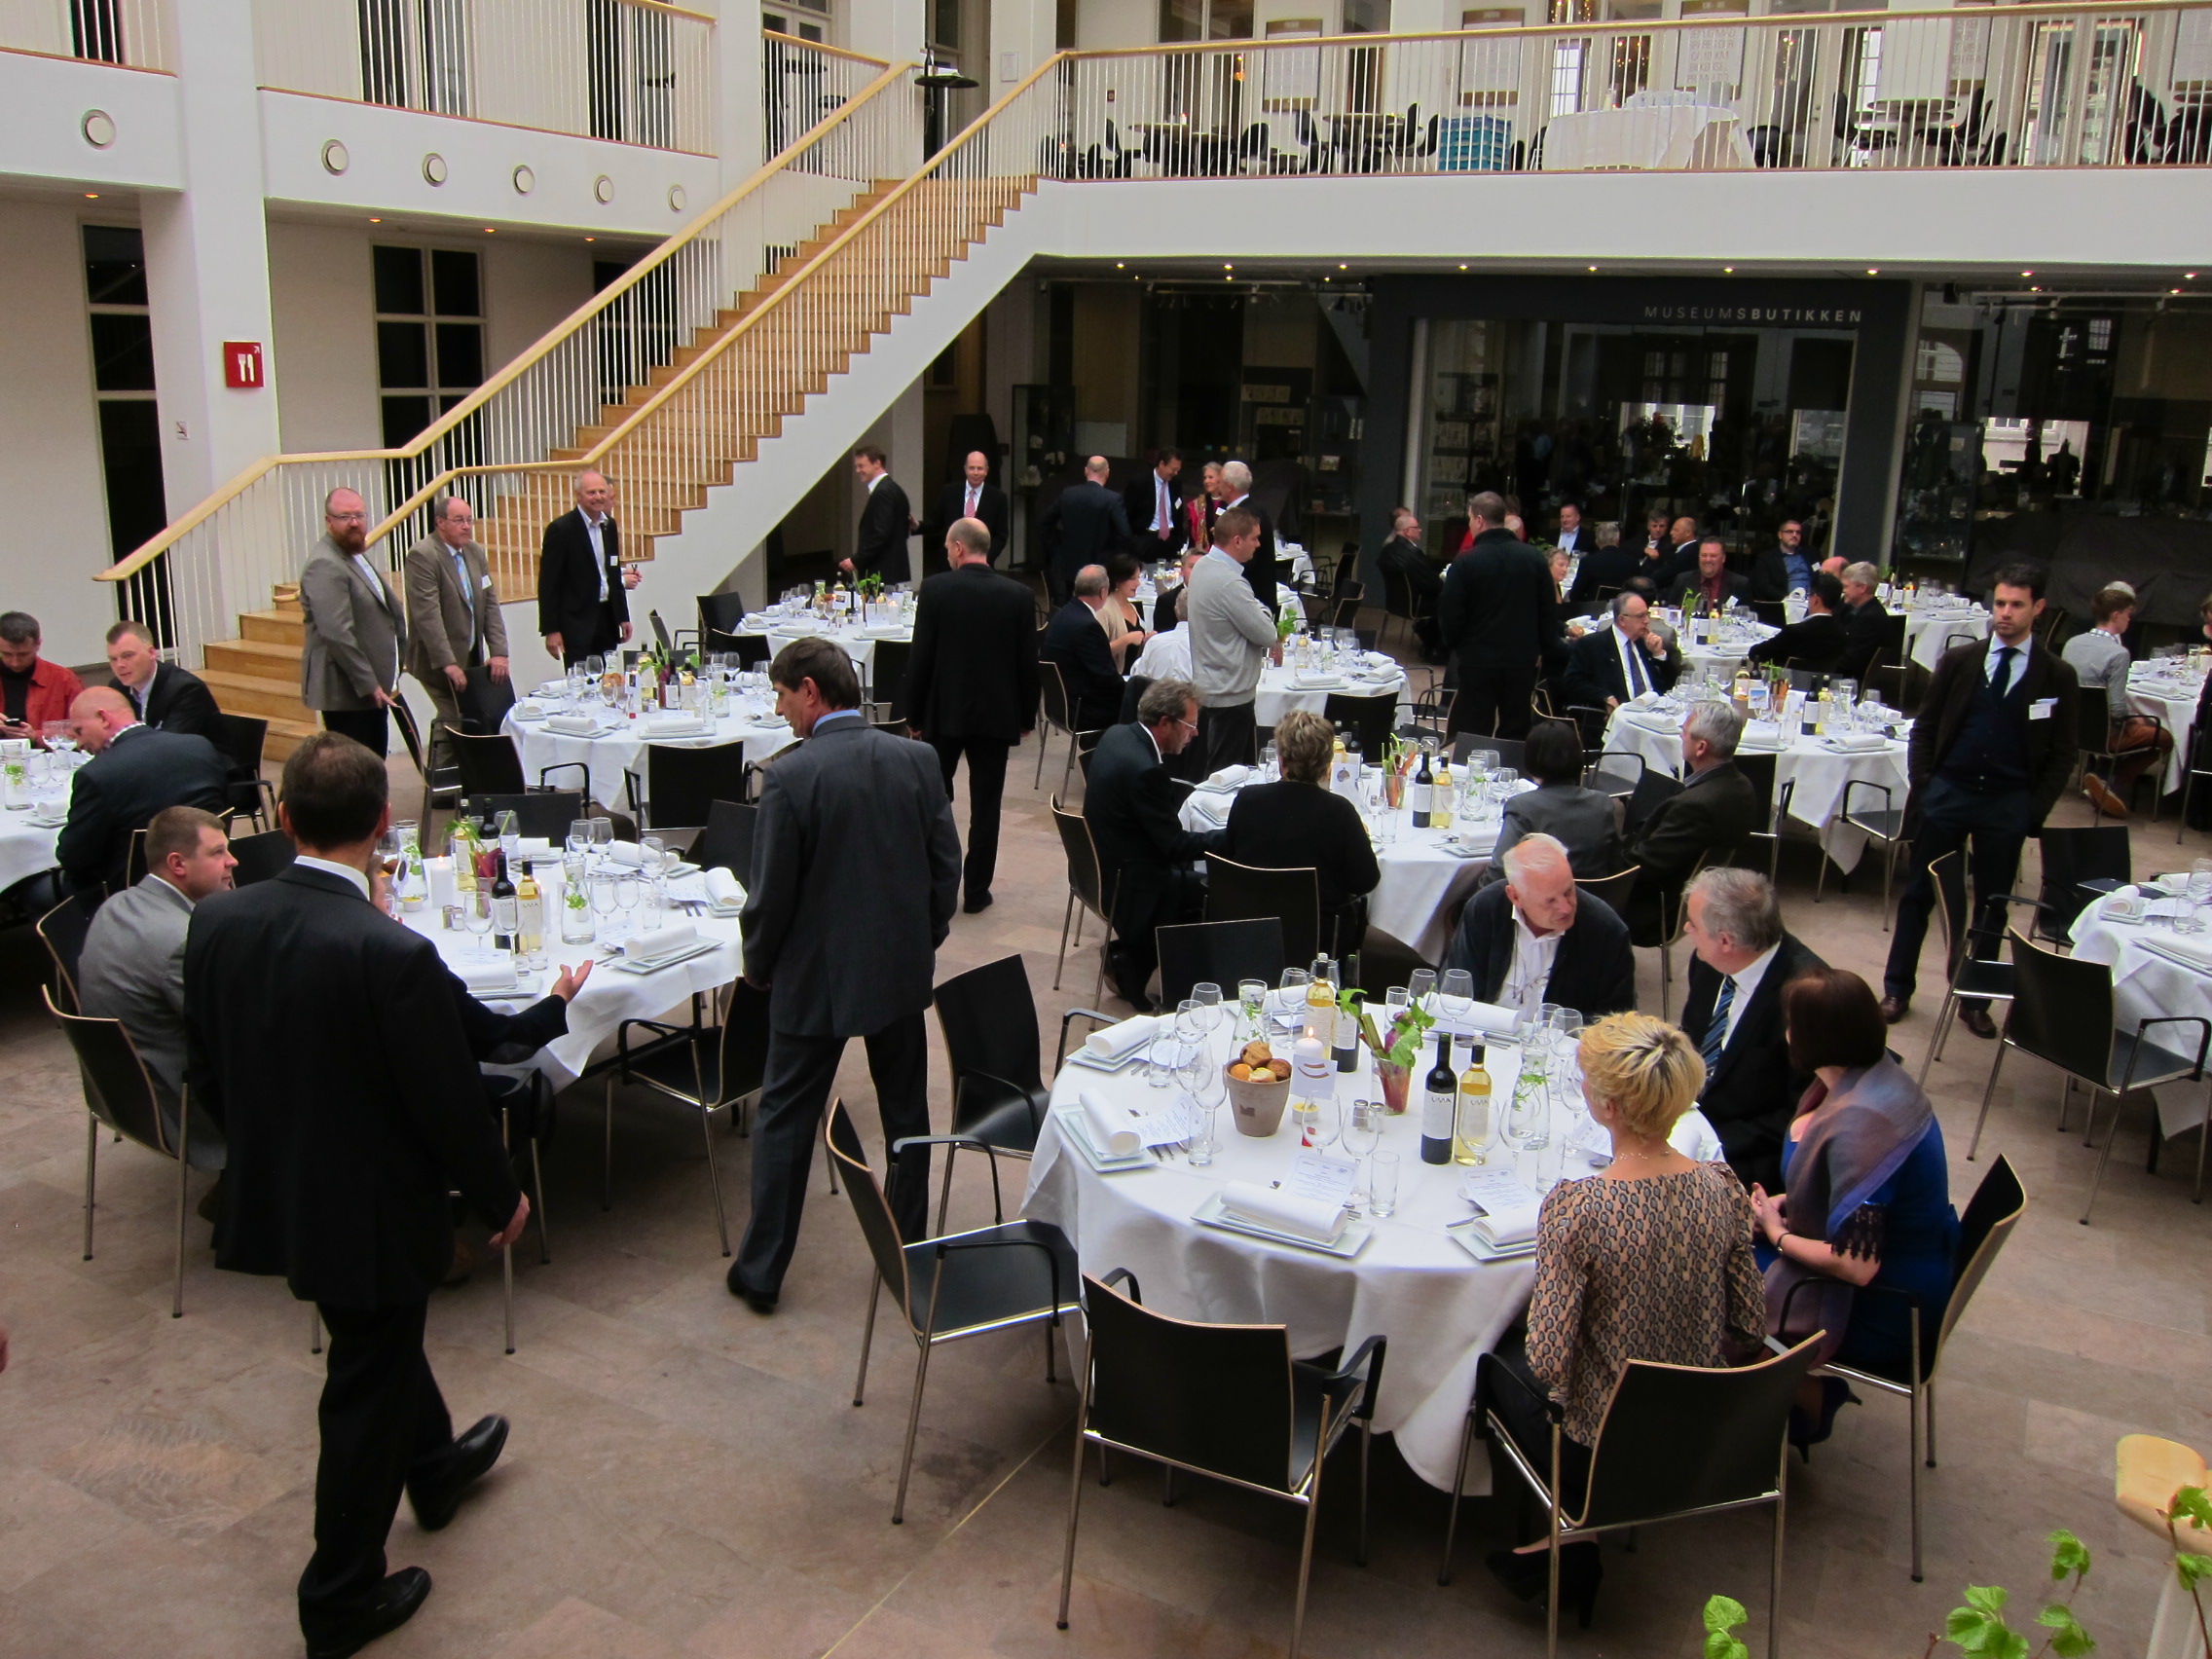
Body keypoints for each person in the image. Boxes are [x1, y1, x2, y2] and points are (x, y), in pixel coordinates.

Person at [183, 732, 532, 1658]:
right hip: (370, 1206)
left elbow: (202, 1066)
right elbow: (449, 1102)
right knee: (364, 1383)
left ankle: (436, 1464)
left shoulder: (216, 921)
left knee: (376, 1340)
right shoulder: (388, 951)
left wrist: (264, 1147)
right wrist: (501, 1198)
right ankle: (338, 1593)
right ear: (383, 825)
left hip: (280, 1184)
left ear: (285, 820)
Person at [1482, 1011, 1763, 1619]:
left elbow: (1547, 1359)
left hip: (1598, 1439)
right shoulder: (1724, 1187)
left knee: (1486, 1355)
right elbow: (1750, 1323)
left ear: (1608, 1108)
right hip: (1695, 1421)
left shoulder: (1579, 1207)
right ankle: (1571, 1539)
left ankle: (1566, 1530)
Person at [730, 637, 960, 1311]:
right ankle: (907, 1251)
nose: (780, 711)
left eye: (781, 695)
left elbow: (770, 897)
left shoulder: (791, 777)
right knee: (906, 1116)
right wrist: (922, 940)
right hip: (895, 969)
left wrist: (758, 968)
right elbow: (947, 869)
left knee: (785, 1119)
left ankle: (763, 1268)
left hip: (815, 978)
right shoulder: (917, 760)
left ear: (810, 690)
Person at [1751, 967, 1958, 1451]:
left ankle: (1799, 1400)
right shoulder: (1869, 1079)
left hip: (1885, 1309)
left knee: (1710, 1281)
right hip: (1905, 1272)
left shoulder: (1865, 1122)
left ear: (1810, 1039)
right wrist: (1784, 1206)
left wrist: (1776, 1232)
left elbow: (1856, 1266)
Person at [1881, 564, 2081, 1028]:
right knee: (1918, 895)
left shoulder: (2056, 675)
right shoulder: (1961, 662)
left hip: (2007, 802)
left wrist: (2033, 808)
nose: (2005, 614)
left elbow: (2064, 750)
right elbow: (1925, 728)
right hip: (1949, 793)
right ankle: (1896, 989)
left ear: (2038, 608)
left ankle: (1975, 999)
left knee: (1993, 902)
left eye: (2016, 605)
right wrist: (1927, 787)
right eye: (1999, 604)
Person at [904, 516, 1038, 914]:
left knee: (935, 800)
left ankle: (937, 885)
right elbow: (1027, 663)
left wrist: (913, 714)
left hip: (943, 712)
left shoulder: (936, 589)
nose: (947, 554)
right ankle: (977, 892)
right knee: (987, 807)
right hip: (997, 715)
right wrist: (1027, 715)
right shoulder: (1018, 595)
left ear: (959, 548)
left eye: (947, 548)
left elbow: (921, 657)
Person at [1677, 866, 1824, 1188]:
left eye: (1693, 924)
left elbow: (1800, 1115)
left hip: (1749, 1159)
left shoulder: (1804, 999)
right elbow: (1690, 1042)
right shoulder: (1707, 962)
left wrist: (1704, 1143)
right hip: (1686, 1122)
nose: (1686, 929)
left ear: (1726, 940)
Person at [79, 805, 236, 1101]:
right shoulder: (182, 942)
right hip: (182, 1106)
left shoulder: (115, 905)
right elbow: (229, 1032)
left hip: (122, 1093)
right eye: (218, 853)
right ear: (178, 864)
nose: (232, 861)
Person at [1085, 678, 1219, 1011]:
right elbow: (1174, 844)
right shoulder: (1146, 770)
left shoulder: (1118, 734)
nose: (1195, 734)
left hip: (1100, 866)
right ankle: (1190, 985)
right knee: (1213, 887)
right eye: (1190, 725)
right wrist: (1228, 838)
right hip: (1133, 883)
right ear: (1165, 723)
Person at [1218, 709, 1379, 957]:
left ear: (1281, 759)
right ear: (1327, 765)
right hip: (1319, 937)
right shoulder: (1339, 812)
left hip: (1251, 926)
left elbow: (1232, 856)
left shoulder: (1248, 800)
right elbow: (1365, 880)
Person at [56, 686, 229, 898]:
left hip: (134, 889)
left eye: (79, 731)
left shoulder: (97, 774)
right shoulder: (199, 746)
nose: (79, 744)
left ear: (103, 718)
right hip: (212, 874)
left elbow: (73, 857)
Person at [1446, 834, 1635, 1020]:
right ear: (1516, 897)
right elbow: (1457, 991)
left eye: (1569, 891)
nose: (1566, 908)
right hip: (1485, 1035)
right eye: (1550, 901)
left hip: (1562, 1045)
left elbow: (1616, 1023)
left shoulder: (1606, 930)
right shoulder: (1486, 909)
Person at [1624, 700, 1760, 938]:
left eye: (1685, 732)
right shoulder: (1743, 786)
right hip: (1691, 889)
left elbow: (1642, 867)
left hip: (1655, 907)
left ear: (1701, 747)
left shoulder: (1694, 807)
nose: (1681, 735)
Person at [1439, 490, 1559, 739]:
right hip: (1521, 660)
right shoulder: (1533, 558)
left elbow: (1451, 613)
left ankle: (1471, 775)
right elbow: (1547, 609)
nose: (1470, 525)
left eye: (1471, 519)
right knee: (1515, 728)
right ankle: (1511, 774)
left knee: (1473, 728)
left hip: (1477, 659)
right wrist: (1543, 648)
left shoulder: (1466, 562)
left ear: (1480, 519)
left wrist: (1456, 645)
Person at [301, 488, 406, 756]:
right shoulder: (325, 563)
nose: (354, 523)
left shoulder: (353, 552)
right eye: (345, 516)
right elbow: (337, 633)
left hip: (371, 691)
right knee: (355, 772)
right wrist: (369, 683)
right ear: (328, 521)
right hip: (348, 694)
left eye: (359, 515)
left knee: (372, 763)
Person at [404, 496, 509, 746]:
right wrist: (448, 663)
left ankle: (456, 777)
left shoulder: (474, 552)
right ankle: (441, 779)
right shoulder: (423, 555)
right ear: (440, 522)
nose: (466, 526)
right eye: (459, 520)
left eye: (469, 520)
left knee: (466, 717)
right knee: (455, 719)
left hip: (470, 654)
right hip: (436, 660)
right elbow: (427, 616)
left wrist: (499, 651)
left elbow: (490, 604)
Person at [1187, 508, 1281, 773]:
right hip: (1230, 696)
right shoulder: (1229, 582)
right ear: (1237, 540)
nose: (1259, 544)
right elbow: (1267, 634)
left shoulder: (1203, 566)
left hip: (1210, 686)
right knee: (1225, 777)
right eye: (1255, 538)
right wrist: (1263, 611)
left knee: (1216, 769)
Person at [2062, 583, 2169, 819]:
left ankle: (2100, 776)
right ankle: (2112, 780)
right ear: (2116, 615)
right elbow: (2117, 709)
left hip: (2070, 729)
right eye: (2129, 615)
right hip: (2105, 734)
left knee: (2142, 727)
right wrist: (2137, 720)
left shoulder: (2072, 643)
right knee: (2164, 736)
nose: (2130, 621)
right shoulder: (2118, 653)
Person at [1480, 718, 1622, 884]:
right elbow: (1615, 865)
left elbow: (1498, 874)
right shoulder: (1603, 802)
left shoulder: (1522, 807)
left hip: (1541, 905)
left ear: (1531, 760)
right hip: (1595, 902)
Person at [535, 470, 633, 667]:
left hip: (607, 619)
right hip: (576, 623)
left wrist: (623, 616)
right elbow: (548, 584)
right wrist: (551, 630)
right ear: (578, 495)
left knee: (608, 680)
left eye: (601, 492)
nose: (598, 497)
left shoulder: (609, 525)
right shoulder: (562, 529)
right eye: (591, 493)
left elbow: (612, 573)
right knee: (581, 684)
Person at [1041, 565, 1126, 736]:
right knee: (1143, 706)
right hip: (1082, 709)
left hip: (1058, 704)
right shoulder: (1088, 626)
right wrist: (1132, 690)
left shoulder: (1061, 614)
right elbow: (1106, 676)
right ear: (1103, 592)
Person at [1558, 592, 1678, 713]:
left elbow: (1670, 686)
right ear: (1622, 620)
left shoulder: (1645, 643)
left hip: (1657, 711)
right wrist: (1604, 697)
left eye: (1647, 614)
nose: (1647, 621)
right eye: (1641, 616)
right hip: (1623, 714)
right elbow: (1572, 683)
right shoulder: (1593, 645)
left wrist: (1659, 654)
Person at [104, 620, 221, 740]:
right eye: (113, 659)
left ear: (151, 653)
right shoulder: (117, 688)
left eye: (128, 655)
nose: (119, 665)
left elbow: (166, 747)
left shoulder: (185, 689)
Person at [1040, 455, 1129, 608]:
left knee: (1070, 606)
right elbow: (1125, 534)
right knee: (1099, 609)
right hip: (1101, 566)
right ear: (1107, 472)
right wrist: (1112, 556)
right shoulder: (1112, 499)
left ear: (1086, 471)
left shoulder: (1068, 494)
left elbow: (1044, 522)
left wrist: (1056, 548)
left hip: (1070, 564)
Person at [0, 609, 85, 745]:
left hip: (49, 759)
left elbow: (84, 729)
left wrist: (36, 736)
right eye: (7, 654)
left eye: (23, 654)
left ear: (38, 644)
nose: (14, 662)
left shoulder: (64, 680)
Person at [1747, 571, 1849, 674]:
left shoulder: (1795, 632)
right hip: (1823, 687)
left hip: (1787, 686)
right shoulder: (1842, 636)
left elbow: (1756, 654)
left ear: (1815, 600)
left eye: (1809, 595)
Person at [1376, 507, 1444, 658]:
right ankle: (1441, 648)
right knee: (1453, 600)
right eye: (1416, 528)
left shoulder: (1389, 550)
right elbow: (1433, 584)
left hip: (1397, 603)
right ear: (1407, 531)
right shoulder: (1410, 554)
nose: (1420, 530)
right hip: (1417, 604)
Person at [1216, 460, 1279, 614]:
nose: (1217, 485)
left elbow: (1246, 561)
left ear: (1229, 487)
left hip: (1251, 599)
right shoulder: (1251, 509)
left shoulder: (1246, 516)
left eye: (1220, 481)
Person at [846, 444, 914, 585]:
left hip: (881, 572)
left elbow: (881, 534)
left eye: (861, 466)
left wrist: (856, 560)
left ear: (877, 463)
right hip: (888, 570)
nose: (858, 470)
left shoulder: (883, 493)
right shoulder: (892, 489)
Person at [928, 450, 1010, 566]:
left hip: (981, 566)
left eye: (980, 468)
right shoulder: (949, 492)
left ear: (986, 471)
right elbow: (935, 523)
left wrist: (984, 559)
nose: (975, 472)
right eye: (972, 468)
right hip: (949, 565)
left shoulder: (998, 498)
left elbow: (1001, 536)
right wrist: (917, 526)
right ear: (965, 469)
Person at [1123, 447, 1187, 558]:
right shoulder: (1139, 483)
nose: (1175, 473)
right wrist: (1133, 541)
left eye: (1178, 470)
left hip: (1171, 541)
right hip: (1145, 540)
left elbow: (1179, 512)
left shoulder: (1176, 483)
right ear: (1162, 464)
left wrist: (1179, 540)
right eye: (1173, 469)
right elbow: (1127, 514)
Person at [1836, 560, 1892, 682]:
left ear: (1862, 588)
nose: (1843, 590)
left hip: (1847, 680)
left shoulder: (1872, 619)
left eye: (1846, 586)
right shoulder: (1846, 606)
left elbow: (1851, 661)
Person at [1100, 552, 1154, 670]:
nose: (1138, 583)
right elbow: (1099, 651)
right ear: (1118, 580)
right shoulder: (1104, 609)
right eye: (1132, 579)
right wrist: (1127, 639)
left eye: (1138, 578)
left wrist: (1147, 640)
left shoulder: (1132, 607)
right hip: (1115, 675)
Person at [1672, 536, 1750, 612]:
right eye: (1704, 555)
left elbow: (1747, 619)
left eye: (1713, 556)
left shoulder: (1739, 584)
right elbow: (1671, 612)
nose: (1708, 560)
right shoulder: (1683, 580)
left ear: (1723, 558)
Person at [1751, 519, 1815, 603]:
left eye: (1798, 532)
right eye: (1790, 531)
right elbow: (1764, 586)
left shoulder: (1811, 554)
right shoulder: (1767, 558)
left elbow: (1820, 576)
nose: (1795, 535)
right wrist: (1787, 599)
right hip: (1784, 602)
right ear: (1780, 535)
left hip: (1811, 602)